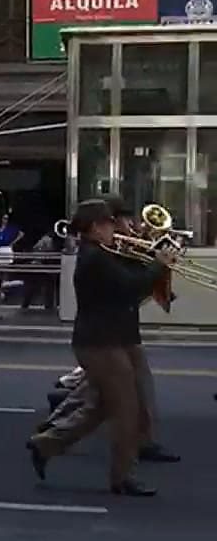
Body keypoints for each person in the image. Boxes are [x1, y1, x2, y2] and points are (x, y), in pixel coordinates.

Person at [26, 199, 173, 497]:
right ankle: (123, 477)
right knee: (127, 409)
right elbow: (130, 286)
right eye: (109, 224)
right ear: (95, 228)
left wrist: (151, 256)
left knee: (105, 406)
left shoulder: (102, 253)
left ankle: (47, 443)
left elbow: (132, 282)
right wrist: (159, 264)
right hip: (100, 342)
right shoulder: (95, 258)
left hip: (106, 339)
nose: (116, 229)